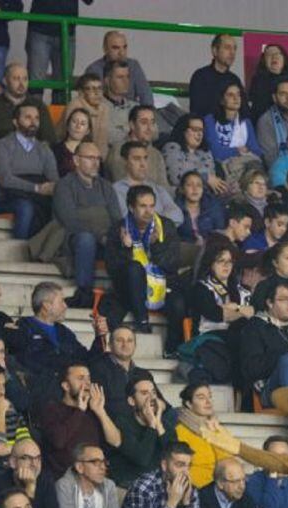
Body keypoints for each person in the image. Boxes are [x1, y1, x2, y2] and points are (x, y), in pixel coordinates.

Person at [103, 185, 183, 335]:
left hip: (162, 287)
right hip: (131, 289)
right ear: (131, 208)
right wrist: (126, 248)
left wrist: (155, 245)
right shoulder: (118, 228)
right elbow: (112, 268)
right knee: (134, 267)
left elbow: (172, 263)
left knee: (178, 305)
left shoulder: (166, 226)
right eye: (143, 206)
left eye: (152, 206)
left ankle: (171, 350)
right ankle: (142, 321)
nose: (148, 211)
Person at [52, 142, 122, 308]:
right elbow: (70, 220)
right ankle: (84, 292)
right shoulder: (65, 185)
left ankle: (120, 294)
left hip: (106, 239)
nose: (95, 162)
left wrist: (111, 237)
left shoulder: (106, 186)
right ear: (76, 160)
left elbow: (116, 218)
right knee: (86, 239)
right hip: (74, 239)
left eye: (98, 158)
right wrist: (100, 236)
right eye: (90, 158)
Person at [0, 103, 59, 240]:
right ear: (16, 122)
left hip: (38, 198)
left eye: (37, 118)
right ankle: (19, 252)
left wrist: (48, 188)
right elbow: (6, 179)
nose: (33, 122)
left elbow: (54, 180)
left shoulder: (44, 150)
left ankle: (43, 251)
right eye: (28, 117)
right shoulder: (2, 145)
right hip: (7, 198)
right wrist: (36, 188)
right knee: (26, 207)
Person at [0, 62, 56, 143]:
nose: (21, 84)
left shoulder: (38, 106)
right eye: (16, 79)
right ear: (5, 81)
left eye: (25, 79)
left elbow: (49, 139)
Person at [106, 105, 170, 187]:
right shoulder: (118, 151)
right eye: (144, 122)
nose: (149, 128)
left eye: (152, 122)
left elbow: (164, 188)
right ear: (132, 125)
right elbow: (122, 185)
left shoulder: (156, 154)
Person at [84, 31, 153, 108]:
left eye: (125, 47)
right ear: (105, 49)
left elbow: (146, 95)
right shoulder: (94, 70)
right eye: (116, 48)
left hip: (131, 113)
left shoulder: (134, 65)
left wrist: (147, 115)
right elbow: (90, 102)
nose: (122, 52)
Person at [247, 43, 288, 121]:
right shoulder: (258, 80)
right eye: (269, 54)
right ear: (264, 61)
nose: (274, 57)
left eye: (277, 54)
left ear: (284, 58)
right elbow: (257, 110)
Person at [58, 74, 110, 156]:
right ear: (81, 92)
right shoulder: (75, 106)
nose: (97, 93)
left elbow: (102, 142)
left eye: (99, 88)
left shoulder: (104, 108)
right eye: (91, 89)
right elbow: (72, 139)